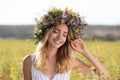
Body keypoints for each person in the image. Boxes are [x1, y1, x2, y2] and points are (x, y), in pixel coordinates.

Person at [23, 8, 110, 80]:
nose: (60, 37)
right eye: (56, 31)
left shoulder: (69, 62)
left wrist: (85, 52)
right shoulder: (29, 61)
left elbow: (105, 77)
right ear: (47, 33)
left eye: (64, 35)